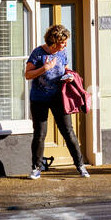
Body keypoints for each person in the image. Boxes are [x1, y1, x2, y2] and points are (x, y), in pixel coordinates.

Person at [25, 23, 89, 178]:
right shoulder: (38, 53)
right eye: (62, 42)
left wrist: (69, 75)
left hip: (59, 98)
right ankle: (36, 168)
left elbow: (65, 68)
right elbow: (27, 74)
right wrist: (44, 69)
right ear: (54, 41)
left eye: (65, 42)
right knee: (40, 134)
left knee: (68, 132)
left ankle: (80, 166)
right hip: (39, 99)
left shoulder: (62, 52)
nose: (65, 45)